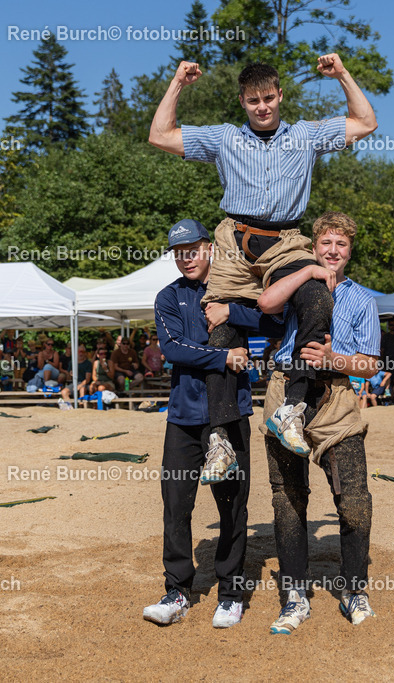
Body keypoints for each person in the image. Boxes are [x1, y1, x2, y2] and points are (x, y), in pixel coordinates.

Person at [149, 55, 377, 463]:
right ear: (242, 102)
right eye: (253, 101)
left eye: (269, 98)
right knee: (218, 321)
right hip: (236, 239)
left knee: (317, 296)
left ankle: (293, 405)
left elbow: (365, 123)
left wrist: (342, 74)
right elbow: (161, 135)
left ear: (280, 96)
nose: (262, 107)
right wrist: (178, 83)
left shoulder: (306, 135)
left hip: (286, 238)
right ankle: (219, 438)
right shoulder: (224, 138)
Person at [246, 211, 380, 633]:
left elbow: (371, 365)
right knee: (288, 501)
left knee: (355, 501)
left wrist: (333, 358)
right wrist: (306, 269)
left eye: (341, 245)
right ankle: (294, 596)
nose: (334, 251)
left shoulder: (362, 300)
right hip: (285, 389)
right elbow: (265, 303)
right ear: (315, 246)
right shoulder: (296, 288)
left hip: (337, 397)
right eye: (326, 244)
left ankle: (354, 590)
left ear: (350, 251)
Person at [143, 220, 278, 629]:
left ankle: (231, 594)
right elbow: (171, 349)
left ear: (209, 248)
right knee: (176, 505)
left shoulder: (236, 287)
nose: (185, 258)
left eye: (192, 249)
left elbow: (273, 322)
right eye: (178, 252)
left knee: (232, 506)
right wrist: (223, 357)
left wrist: (233, 312)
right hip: (183, 418)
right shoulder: (169, 297)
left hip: (230, 413)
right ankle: (178, 591)